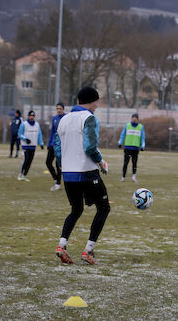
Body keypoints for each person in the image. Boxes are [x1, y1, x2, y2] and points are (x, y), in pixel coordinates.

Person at [54, 87, 110, 265]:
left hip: (68, 173)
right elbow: (90, 147)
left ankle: (61, 245)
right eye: (97, 102)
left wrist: (65, 164)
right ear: (92, 101)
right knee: (103, 208)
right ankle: (88, 250)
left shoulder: (64, 119)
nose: (97, 105)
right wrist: (101, 162)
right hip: (86, 172)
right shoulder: (89, 118)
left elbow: (57, 148)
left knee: (76, 209)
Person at [118, 114, 146, 182]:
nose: (134, 119)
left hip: (135, 148)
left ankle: (133, 177)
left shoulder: (140, 127)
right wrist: (120, 142)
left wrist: (142, 146)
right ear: (131, 118)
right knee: (125, 163)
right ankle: (123, 177)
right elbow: (123, 134)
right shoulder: (127, 125)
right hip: (127, 147)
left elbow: (143, 138)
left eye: (135, 118)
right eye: (133, 118)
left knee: (134, 163)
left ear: (137, 119)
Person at [17, 110, 44, 181]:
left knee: (30, 161)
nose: (31, 117)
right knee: (26, 160)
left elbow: (39, 134)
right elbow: (19, 134)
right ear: (28, 116)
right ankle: (20, 174)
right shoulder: (24, 124)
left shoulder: (37, 125)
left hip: (33, 146)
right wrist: (25, 139)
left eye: (33, 116)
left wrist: (41, 143)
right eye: (30, 115)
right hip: (25, 145)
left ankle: (24, 175)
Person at [46, 103, 66, 191]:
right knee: (48, 162)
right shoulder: (54, 118)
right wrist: (49, 143)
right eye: (57, 108)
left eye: (60, 109)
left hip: (61, 146)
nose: (58, 110)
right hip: (53, 144)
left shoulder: (66, 118)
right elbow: (52, 132)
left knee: (58, 165)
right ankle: (55, 178)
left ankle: (58, 184)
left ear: (63, 109)